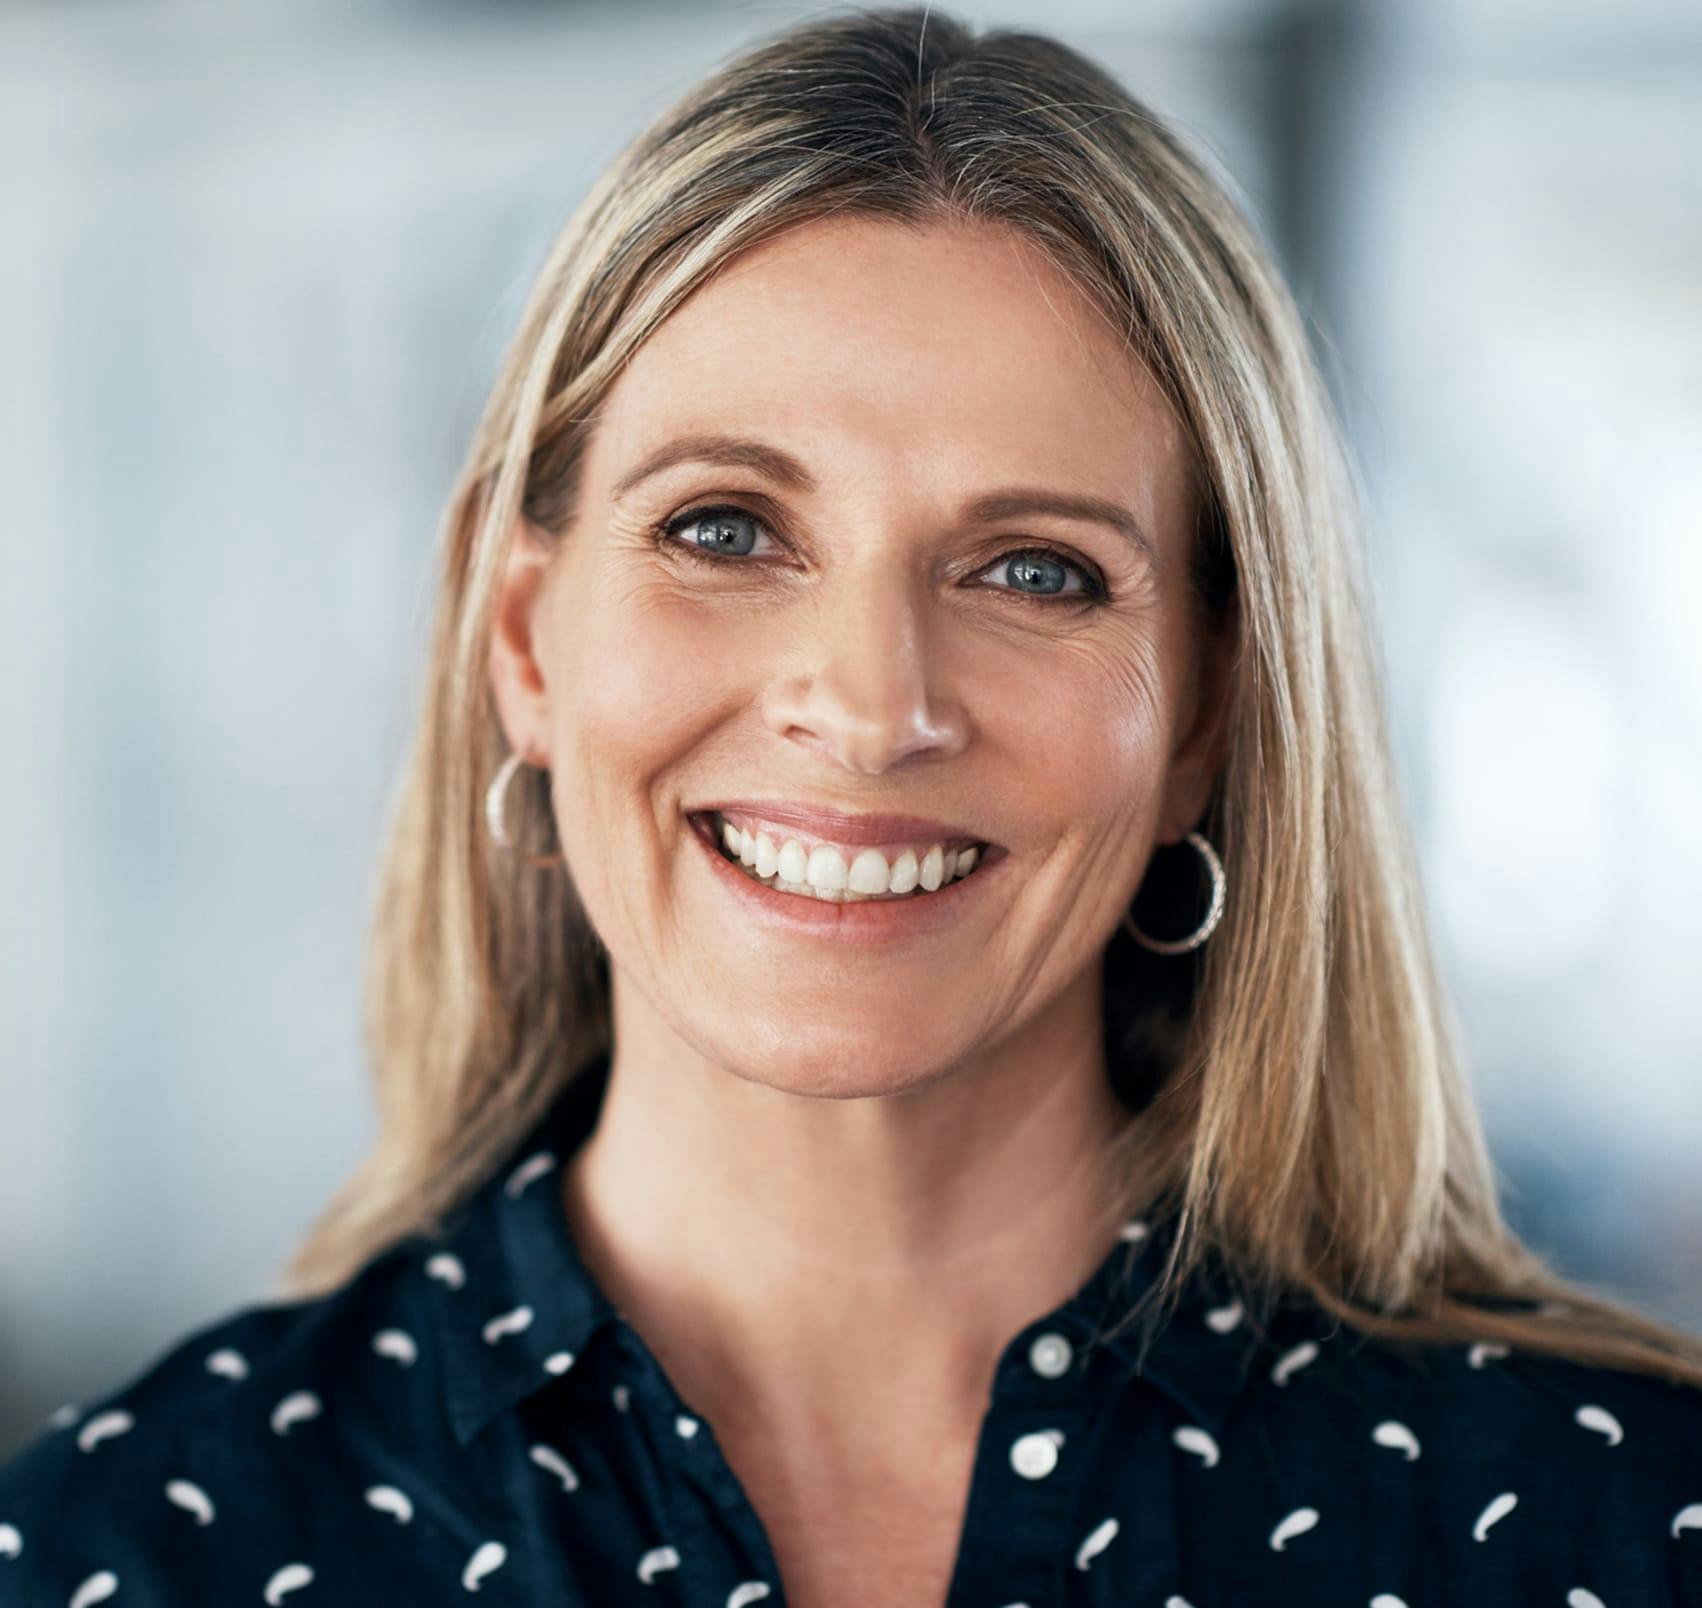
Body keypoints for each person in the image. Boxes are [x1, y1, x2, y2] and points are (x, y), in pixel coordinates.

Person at [4, 6, 1700, 1605]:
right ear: (521, 640)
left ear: (1207, 718)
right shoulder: (115, 1549)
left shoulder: (1626, 1527)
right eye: (725, 529)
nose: (873, 706)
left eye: (1035, 571)